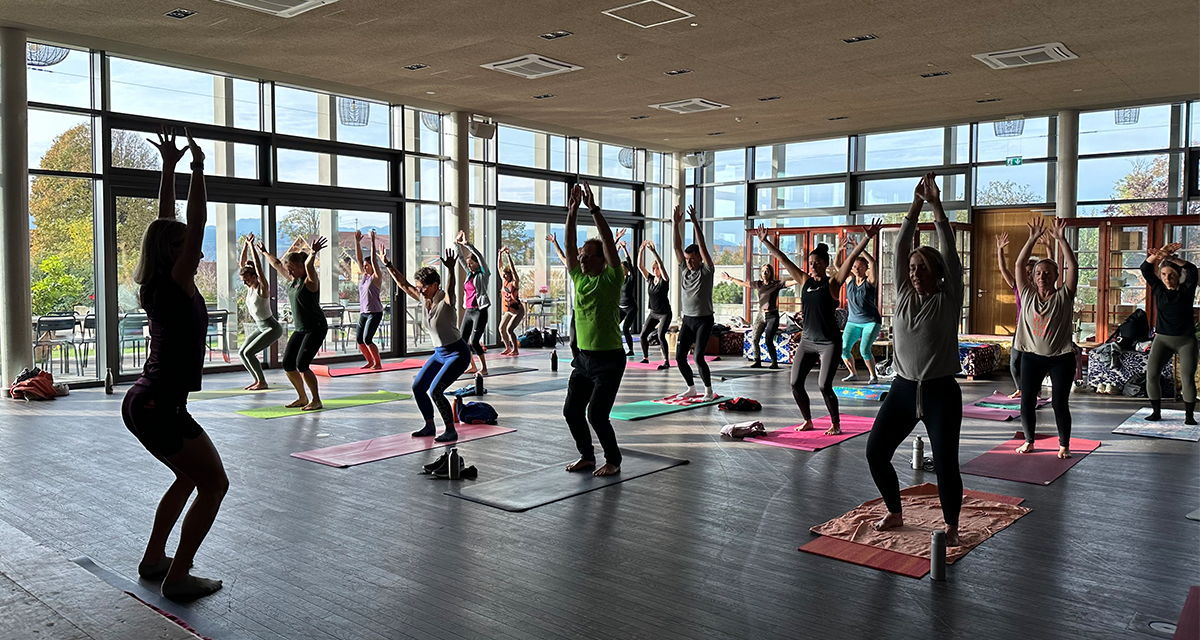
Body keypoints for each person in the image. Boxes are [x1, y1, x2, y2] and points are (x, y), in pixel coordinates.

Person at [121, 127, 228, 600]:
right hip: (160, 405)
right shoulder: (176, 282)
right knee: (215, 485)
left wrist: (168, 168)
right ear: (174, 252)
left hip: (146, 401)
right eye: (186, 244)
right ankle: (179, 576)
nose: (197, 248)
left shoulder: (157, 282)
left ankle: (154, 559)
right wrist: (197, 169)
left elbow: (164, 221)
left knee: (189, 477)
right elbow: (194, 222)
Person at [865, 173, 965, 546]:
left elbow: (949, 250)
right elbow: (900, 247)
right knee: (875, 453)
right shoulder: (905, 296)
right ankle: (894, 511)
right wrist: (915, 204)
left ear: (939, 274)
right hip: (903, 390)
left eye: (923, 268)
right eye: (912, 268)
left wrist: (935, 206)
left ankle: (951, 526)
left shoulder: (949, 298)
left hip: (941, 393)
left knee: (945, 463)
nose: (915, 273)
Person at [755, 222, 879, 435]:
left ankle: (835, 424)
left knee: (824, 385)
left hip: (829, 342)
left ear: (825, 264)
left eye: (817, 263)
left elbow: (850, 259)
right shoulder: (804, 280)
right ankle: (808, 420)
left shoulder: (833, 283)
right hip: (807, 341)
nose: (812, 266)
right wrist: (766, 241)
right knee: (795, 383)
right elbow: (783, 259)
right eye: (811, 263)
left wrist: (867, 238)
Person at [563, 182, 626, 477]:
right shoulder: (579, 278)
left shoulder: (612, 279)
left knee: (597, 415)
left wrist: (593, 210)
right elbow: (569, 245)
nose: (582, 259)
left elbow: (608, 240)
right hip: (583, 359)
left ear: (603, 260)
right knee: (571, 411)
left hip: (609, 360)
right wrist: (572, 212)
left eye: (589, 256)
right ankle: (587, 456)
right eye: (582, 256)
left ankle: (613, 460)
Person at [383, 249, 471, 441]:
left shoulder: (446, 301)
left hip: (457, 353)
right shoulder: (424, 299)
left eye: (422, 287)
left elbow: (451, 289)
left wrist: (451, 269)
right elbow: (403, 284)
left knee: (435, 390)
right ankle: (429, 426)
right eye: (419, 287)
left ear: (434, 286)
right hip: (440, 354)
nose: (420, 290)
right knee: (418, 387)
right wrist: (388, 265)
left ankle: (450, 430)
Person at [1013, 216, 1078, 458]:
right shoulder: (1027, 294)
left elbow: (1073, 266)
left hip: (1061, 359)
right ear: (1033, 277)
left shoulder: (1064, 296)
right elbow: (1019, 264)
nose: (1042, 276)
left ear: (1056, 276)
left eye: (1047, 273)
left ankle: (1064, 445)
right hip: (1032, 357)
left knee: (1060, 403)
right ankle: (1029, 441)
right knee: (1027, 401)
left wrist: (1061, 239)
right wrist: (1031, 239)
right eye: (1038, 273)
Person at [258, 235, 329, 411]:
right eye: (288, 270)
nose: (288, 273)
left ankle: (316, 400)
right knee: (288, 364)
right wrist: (265, 252)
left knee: (302, 364)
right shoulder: (293, 281)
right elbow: (277, 264)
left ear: (300, 267)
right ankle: (302, 398)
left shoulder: (310, 282)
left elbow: (309, 266)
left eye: (292, 269)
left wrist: (313, 253)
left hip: (316, 328)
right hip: (301, 328)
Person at [1142, 242, 1197, 425]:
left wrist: (1170, 258)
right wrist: (1158, 255)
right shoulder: (1159, 289)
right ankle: (1156, 412)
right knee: (1152, 374)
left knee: (1187, 378)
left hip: (1186, 341)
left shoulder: (1187, 290)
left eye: (1171, 274)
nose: (1167, 278)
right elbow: (1145, 268)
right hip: (1162, 340)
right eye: (1164, 274)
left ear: (1178, 275)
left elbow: (1192, 269)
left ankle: (1189, 416)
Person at [996, 232, 1053, 399]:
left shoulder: (1041, 289)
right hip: (1021, 329)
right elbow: (1003, 269)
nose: (1028, 275)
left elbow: (1051, 267)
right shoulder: (1018, 287)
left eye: (1031, 272)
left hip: (1038, 330)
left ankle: (1036, 390)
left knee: (1036, 363)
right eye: (1026, 272)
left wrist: (1049, 248)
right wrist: (1000, 250)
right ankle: (1020, 388)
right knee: (1014, 362)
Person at [672, 204, 717, 401]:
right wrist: (676, 224)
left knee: (698, 357)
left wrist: (695, 223)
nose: (689, 262)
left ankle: (708, 391)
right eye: (687, 259)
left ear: (699, 258)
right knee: (679, 357)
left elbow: (703, 246)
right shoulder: (684, 270)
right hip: (688, 320)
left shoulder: (706, 271)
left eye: (692, 259)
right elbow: (676, 247)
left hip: (704, 320)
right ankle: (691, 388)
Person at [722, 264, 795, 369]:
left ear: (770, 273)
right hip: (761, 315)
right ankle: (757, 361)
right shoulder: (758, 284)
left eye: (767, 271)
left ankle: (774, 363)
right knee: (754, 339)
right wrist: (730, 278)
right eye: (763, 271)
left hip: (772, 316)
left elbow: (790, 283)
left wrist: (801, 279)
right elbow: (743, 283)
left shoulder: (776, 284)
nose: (764, 273)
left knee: (768, 340)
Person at [237, 233, 282, 390]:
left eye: (247, 279)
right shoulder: (249, 288)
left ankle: (262, 382)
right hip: (260, 327)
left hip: (272, 328)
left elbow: (258, 267)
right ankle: (257, 380)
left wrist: (252, 247)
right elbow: (242, 265)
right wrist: (245, 245)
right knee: (242, 353)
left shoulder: (262, 288)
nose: (245, 283)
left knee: (249, 353)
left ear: (254, 276)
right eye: (243, 281)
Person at [839, 242, 882, 383]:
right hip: (853, 321)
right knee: (844, 348)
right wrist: (839, 251)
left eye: (860, 267)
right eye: (854, 267)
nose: (857, 269)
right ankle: (853, 374)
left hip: (871, 321)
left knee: (864, 350)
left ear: (865, 268)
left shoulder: (870, 281)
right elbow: (838, 266)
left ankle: (873, 376)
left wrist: (860, 248)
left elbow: (873, 262)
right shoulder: (850, 280)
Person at [456, 231, 491, 376]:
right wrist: (456, 244)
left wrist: (467, 245)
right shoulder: (469, 275)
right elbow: (460, 259)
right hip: (469, 311)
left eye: (471, 264)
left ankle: (484, 368)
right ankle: (473, 366)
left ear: (478, 264)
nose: (469, 266)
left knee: (475, 341)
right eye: (468, 264)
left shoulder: (483, 275)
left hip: (479, 311)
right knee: (463, 341)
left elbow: (480, 256)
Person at [637, 239, 672, 369]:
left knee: (661, 336)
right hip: (653, 313)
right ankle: (646, 358)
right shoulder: (650, 279)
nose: (656, 270)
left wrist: (654, 252)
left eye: (657, 268)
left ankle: (666, 361)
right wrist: (641, 251)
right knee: (643, 335)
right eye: (654, 268)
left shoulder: (665, 280)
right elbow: (640, 267)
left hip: (664, 314)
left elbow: (662, 266)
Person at [353, 229, 384, 370]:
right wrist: (357, 243)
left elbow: (374, 260)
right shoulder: (364, 277)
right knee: (360, 340)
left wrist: (372, 241)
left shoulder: (376, 277)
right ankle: (370, 361)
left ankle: (378, 363)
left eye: (367, 266)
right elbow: (359, 259)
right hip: (364, 312)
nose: (364, 268)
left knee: (367, 339)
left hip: (375, 312)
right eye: (364, 266)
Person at [615, 231, 639, 357]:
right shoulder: (618, 279)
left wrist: (624, 249)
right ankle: (616, 347)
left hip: (631, 308)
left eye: (623, 268)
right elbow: (611, 263)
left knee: (625, 329)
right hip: (621, 307)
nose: (621, 270)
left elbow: (630, 264)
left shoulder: (630, 279)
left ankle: (630, 350)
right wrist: (617, 249)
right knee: (613, 326)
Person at [498, 247, 525, 356]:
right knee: (501, 328)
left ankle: (515, 349)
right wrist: (500, 254)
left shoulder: (514, 283)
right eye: (503, 275)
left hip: (518, 311)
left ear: (510, 275)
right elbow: (499, 267)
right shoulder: (504, 282)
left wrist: (508, 256)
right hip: (509, 311)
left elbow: (513, 271)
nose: (504, 276)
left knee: (510, 329)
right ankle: (507, 348)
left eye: (506, 274)